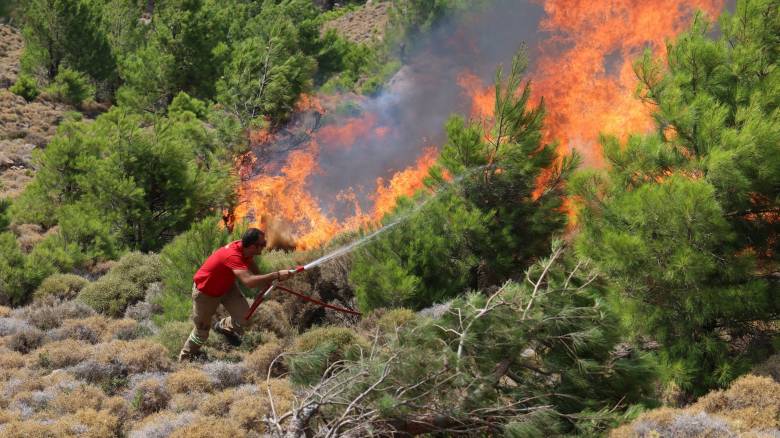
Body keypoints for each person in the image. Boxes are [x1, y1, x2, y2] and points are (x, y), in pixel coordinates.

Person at [178, 228, 295, 362]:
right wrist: (276, 275)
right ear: (252, 246)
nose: (265, 246)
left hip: (227, 287)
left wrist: (266, 283)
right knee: (201, 333)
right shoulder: (233, 256)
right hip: (206, 293)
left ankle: (223, 326)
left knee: (245, 319)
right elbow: (249, 282)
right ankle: (185, 358)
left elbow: (251, 264)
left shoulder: (245, 249)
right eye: (262, 244)